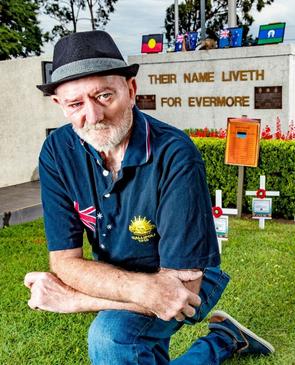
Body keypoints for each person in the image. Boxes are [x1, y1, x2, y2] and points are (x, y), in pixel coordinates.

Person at [24, 30, 274, 364]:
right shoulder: (57, 152)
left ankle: (222, 340)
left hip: (192, 276)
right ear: (59, 105)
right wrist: (139, 291)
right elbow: (65, 261)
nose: (93, 116)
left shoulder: (175, 154)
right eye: (75, 104)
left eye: (103, 96)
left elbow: (183, 293)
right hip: (122, 278)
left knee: (112, 337)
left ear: (130, 90)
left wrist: (75, 299)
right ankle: (224, 341)